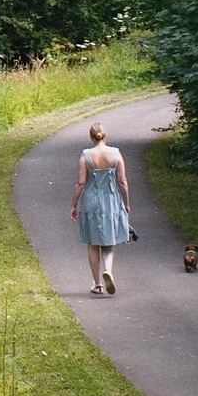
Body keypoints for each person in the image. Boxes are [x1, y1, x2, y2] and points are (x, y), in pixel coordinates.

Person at [70, 121, 133, 295]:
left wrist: (74, 204)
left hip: (91, 199)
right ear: (105, 135)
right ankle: (108, 271)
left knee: (92, 243)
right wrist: (126, 203)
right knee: (108, 242)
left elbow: (80, 183)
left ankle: (97, 284)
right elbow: (122, 181)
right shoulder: (116, 154)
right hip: (111, 200)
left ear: (91, 137)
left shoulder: (86, 155)